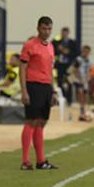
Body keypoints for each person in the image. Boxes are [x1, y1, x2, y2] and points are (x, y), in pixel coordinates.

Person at [19, 16, 58, 171]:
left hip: (46, 87)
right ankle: (25, 161)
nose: (46, 31)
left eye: (49, 29)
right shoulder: (30, 45)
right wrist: (24, 91)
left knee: (41, 122)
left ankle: (41, 161)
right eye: (44, 28)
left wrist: (53, 90)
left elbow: (50, 69)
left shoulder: (50, 47)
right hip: (33, 86)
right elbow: (22, 69)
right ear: (38, 28)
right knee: (31, 121)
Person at [53, 27, 77, 105]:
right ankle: (62, 98)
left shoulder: (72, 43)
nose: (64, 34)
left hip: (68, 65)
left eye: (65, 33)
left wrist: (68, 52)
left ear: (68, 33)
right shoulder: (57, 42)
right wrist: (59, 49)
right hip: (60, 65)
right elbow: (53, 50)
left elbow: (76, 53)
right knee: (59, 82)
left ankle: (70, 100)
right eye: (63, 33)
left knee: (70, 82)